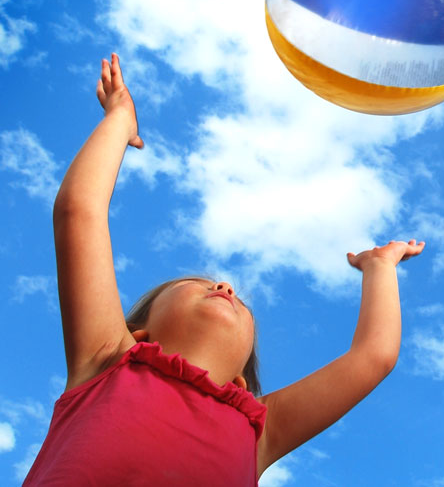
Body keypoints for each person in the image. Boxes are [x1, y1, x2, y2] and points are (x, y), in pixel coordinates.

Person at [24, 53, 423, 485]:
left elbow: (374, 356)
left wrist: (380, 265)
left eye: (232, 295)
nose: (225, 287)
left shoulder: (261, 430)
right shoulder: (107, 360)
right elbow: (79, 211)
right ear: (141, 333)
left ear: (239, 378)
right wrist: (120, 120)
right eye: (197, 284)